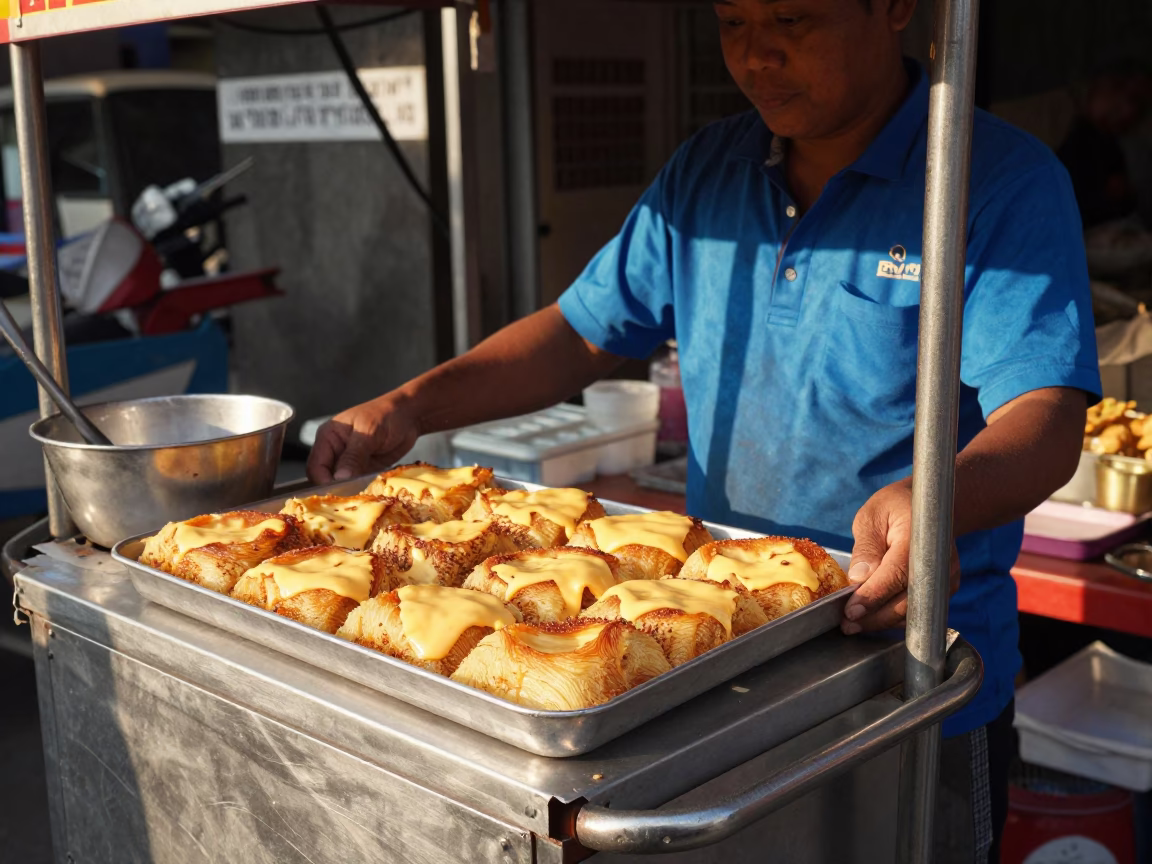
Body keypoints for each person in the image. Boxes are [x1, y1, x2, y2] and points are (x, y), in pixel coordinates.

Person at [309, 1, 1099, 860]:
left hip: (904, 678)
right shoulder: (706, 174)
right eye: (731, 21)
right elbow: (581, 332)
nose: (757, 54)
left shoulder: (993, 180)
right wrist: (411, 406)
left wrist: (936, 497)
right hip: (709, 668)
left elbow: (1046, 415)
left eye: (792, 18)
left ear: (896, 10)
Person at [1057, 64, 1149, 230]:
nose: (1129, 111)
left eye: (1140, 106)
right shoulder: (1079, 139)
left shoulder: (1115, 146)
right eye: (1130, 99)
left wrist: (1124, 195)